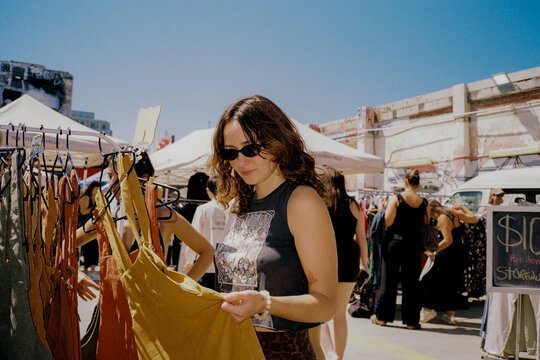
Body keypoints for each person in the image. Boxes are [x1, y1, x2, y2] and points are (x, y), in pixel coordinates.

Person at [209, 95, 337, 359]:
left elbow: (326, 305)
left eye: (250, 148)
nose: (240, 160)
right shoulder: (237, 205)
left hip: (280, 351)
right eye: (230, 152)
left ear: (276, 141)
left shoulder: (301, 201)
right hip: (230, 347)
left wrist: (265, 302)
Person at [76, 152, 214, 283]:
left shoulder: (163, 216)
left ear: (143, 179)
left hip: (151, 306)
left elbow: (207, 252)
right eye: (110, 176)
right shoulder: (108, 216)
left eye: (118, 177)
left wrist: (182, 288)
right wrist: (76, 273)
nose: (111, 183)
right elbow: (68, 244)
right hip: (111, 305)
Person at [316, 167, 369, 360]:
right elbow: (362, 238)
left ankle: (330, 352)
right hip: (349, 258)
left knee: (319, 311)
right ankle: (339, 355)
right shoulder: (354, 204)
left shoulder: (321, 203)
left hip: (325, 258)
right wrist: (366, 264)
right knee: (340, 314)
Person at [370, 169, 426, 329]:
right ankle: (411, 321)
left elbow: (388, 221)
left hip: (395, 243)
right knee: (411, 283)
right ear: (418, 183)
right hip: (414, 246)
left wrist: (383, 207)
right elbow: (424, 224)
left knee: (389, 281)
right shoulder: (423, 202)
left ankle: (383, 317)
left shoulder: (396, 198)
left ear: (405, 182)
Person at [419, 200, 478, 325]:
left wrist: (433, 251)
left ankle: (428, 309)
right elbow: (474, 219)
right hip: (458, 252)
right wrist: (463, 208)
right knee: (452, 284)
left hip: (447, 253)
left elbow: (447, 240)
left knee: (431, 280)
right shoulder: (453, 213)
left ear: (432, 210)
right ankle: (450, 315)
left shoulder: (442, 218)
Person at [184, 176, 227, 290]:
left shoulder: (204, 209)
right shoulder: (233, 209)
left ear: (208, 191)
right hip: (228, 266)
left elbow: (195, 235)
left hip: (206, 265)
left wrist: (189, 259)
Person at [78, 181, 101, 272]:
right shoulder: (86, 197)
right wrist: (94, 210)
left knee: (93, 246)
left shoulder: (92, 198)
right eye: (97, 189)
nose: (98, 191)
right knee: (88, 246)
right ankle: (87, 267)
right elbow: (83, 211)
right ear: (92, 188)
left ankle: (92, 267)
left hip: (90, 224)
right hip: (85, 224)